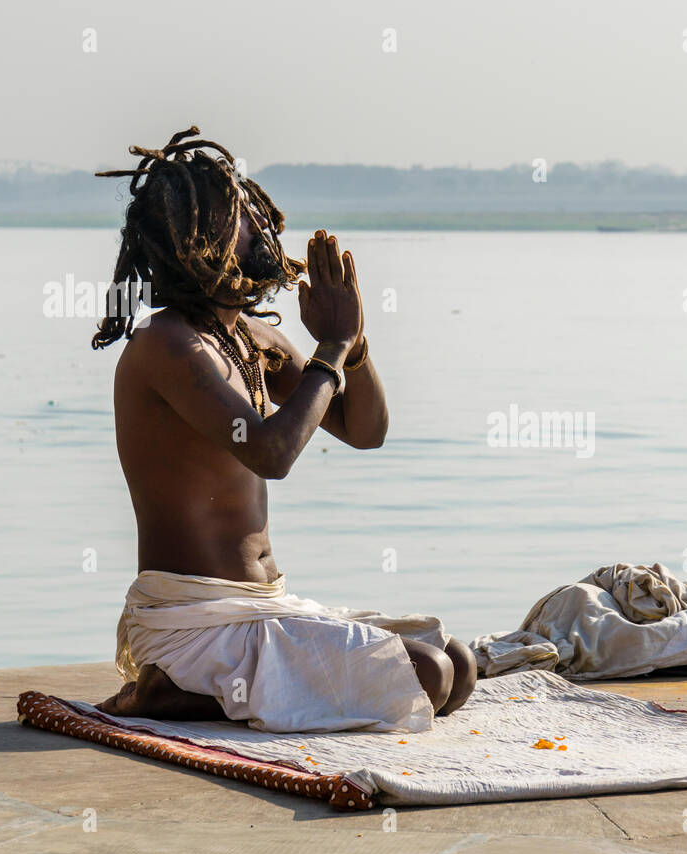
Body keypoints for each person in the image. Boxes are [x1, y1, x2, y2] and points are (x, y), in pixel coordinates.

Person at [89, 126, 475, 732]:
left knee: (458, 664)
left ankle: (205, 693)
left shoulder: (254, 341)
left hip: (265, 607)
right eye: (245, 216)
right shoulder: (166, 344)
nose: (266, 228)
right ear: (205, 238)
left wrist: (353, 345)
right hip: (195, 621)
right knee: (426, 673)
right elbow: (270, 452)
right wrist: (332, 345)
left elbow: (364, 429)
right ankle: (174, 691)